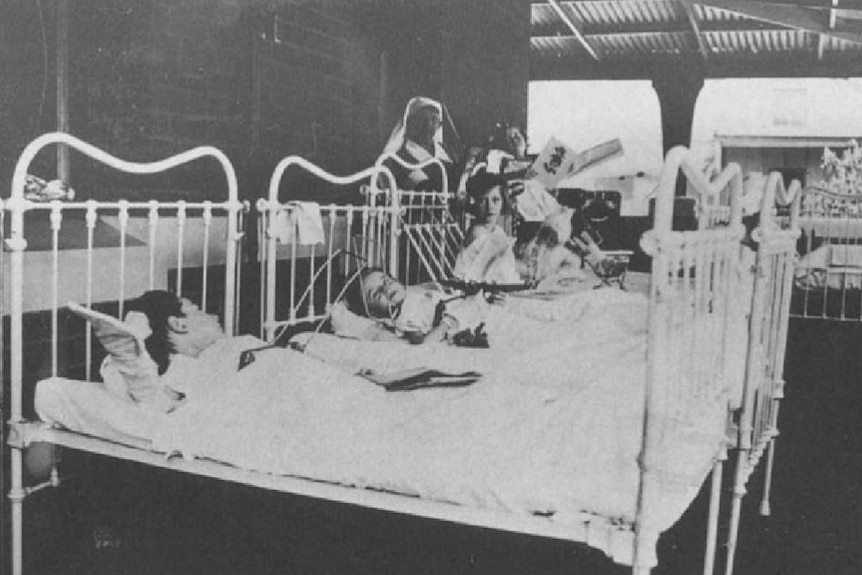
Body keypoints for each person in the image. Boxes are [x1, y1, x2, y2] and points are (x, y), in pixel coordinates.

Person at [98, 290, 264, 411]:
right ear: (179, 324)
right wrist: (133, 335)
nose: (215, 317)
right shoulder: (183, 372)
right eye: (199, 311)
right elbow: (135, 383)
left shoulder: (225, 350)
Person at [334, 268, 486, 344]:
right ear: (373, 312)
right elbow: (421, 341)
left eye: (385, 280)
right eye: (377, 294)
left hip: (454, 302)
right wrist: (444, 326)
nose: (386, 288)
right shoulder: (401, 317)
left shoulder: (411, 293)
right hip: (450, 316)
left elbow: (432, 288)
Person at [380, 96, 458, 193]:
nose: (428, 125)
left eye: (434, 120)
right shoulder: (399, 159)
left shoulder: (447, 153)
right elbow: (424, 188)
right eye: (422, 119)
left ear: (440, 125)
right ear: (410, 123)